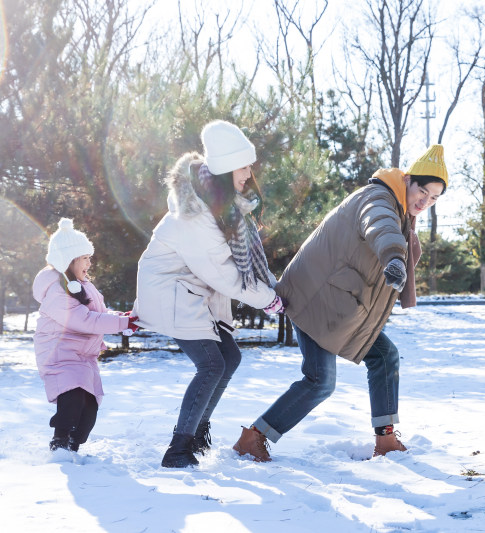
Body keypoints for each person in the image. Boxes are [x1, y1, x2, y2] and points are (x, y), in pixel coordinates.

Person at [232, 145, 448, 462]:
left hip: (339, 304)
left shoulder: (400, 210)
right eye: (422, 191)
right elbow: (380, 226)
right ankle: (253, 437)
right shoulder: (380, 198)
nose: (424, 201)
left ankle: (385, 440)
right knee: (320, 381)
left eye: (433, 199)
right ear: (407, 179)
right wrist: (394, 257)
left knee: (385, 356)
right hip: (315, 297)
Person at [134, 120, 283, 468]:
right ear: (226, 168)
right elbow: (225, 274)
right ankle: (179, 448)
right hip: (169, 291)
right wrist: (268, 300)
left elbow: (233, 266)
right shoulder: (195, 215)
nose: (249, 172)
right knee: (212, 364)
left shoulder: (222, 206)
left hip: (192, 291)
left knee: (229, 358)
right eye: (244, 165)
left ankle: (197, 430)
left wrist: (272, 290)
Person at [33, 218, 138, 453]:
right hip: (60, 353)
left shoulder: (82, 283)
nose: (90, 263)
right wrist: (122, 323)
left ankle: (73, 446)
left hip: (83, 356)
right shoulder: (56, 289)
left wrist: (123, 317)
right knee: (73, 399)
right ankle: (60, 443)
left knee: (89, 411)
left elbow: (98, 314)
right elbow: (84, 319)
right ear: (68, 260)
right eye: (85, 258)